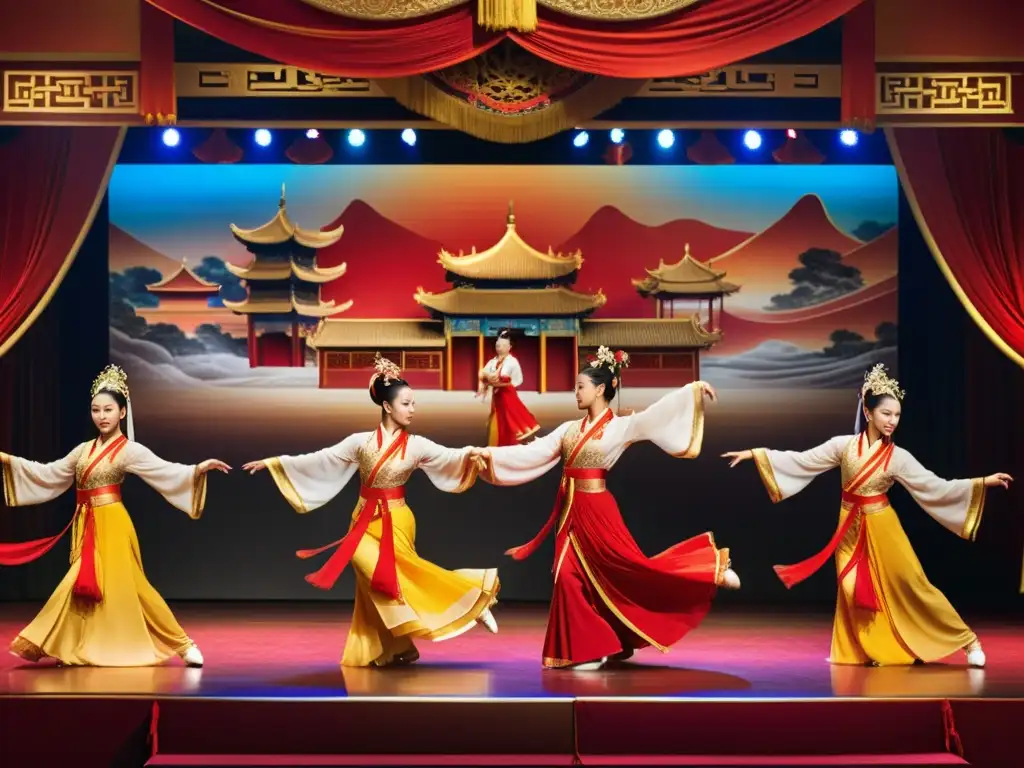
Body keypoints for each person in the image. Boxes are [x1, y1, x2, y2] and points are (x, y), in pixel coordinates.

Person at [722, 364, 1013, 668]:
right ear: (868, 410)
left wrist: (980, 483)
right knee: (853, 589)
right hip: (849, 528)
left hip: (883, 527)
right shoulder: (843, 446)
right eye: (886, 413)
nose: (892, 421)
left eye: (897, 415)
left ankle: (968, 641)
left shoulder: (898, 457)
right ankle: (873, 649)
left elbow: (934, 485)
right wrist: (757, 454)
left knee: (913, 587)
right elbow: (802, 459)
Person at [471, 346, 740, 671]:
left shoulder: (620, 426)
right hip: (571, 513)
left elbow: (653, 416)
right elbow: (535, 451)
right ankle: (598, 645)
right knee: (567, 578)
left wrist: (690, 392)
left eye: (581, 387)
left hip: (598, 511)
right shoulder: (569, 429)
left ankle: (706, 571)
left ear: (600, 389)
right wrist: (489, 456)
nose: (576, 393)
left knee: (628, 571)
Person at [243, 353, 500, 668]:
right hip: (363, 518)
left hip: (398, 519)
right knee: (374, 581)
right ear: (387, 407)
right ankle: (393, 644)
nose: (413, 409)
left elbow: (452, 456)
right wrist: (276, 463)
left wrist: (474, 454)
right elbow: (319, 458)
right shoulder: (360, 442)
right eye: (406, 403)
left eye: (414, 403)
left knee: (396, 577)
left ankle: (462, 602)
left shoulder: (416, 445)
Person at [0, 365, 230, 667]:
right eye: (96, 410)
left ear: (122, 412)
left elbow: (166, 470)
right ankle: (71, 645)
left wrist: (198, 469)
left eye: (108, 409)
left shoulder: (129, 450)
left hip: (113, 523)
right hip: (87, 523)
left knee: (134, 586)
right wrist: (7, 460)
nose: (102, 416)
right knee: (82, 586)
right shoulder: (83, 450)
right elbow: (50, 473)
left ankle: (183, 644)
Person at [477, 329, 540, 447]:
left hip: (507, 395)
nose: (499, 347)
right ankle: (497, 443)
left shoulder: (512, 361)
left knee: (510, 420)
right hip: (497, 396)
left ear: (509, 347)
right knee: (497, 419)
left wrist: (498, 381)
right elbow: (482, 372)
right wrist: (486, 376)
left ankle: (510, 444)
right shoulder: (493, 361)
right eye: (497, 345)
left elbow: (516, 380)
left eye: (503, 345)